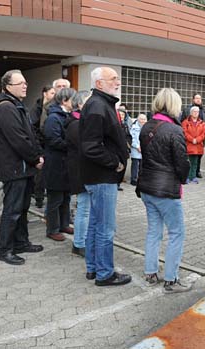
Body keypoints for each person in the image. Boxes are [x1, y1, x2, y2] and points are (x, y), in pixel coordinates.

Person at [137, 88, 194, 293]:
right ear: (174, 105)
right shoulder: (174, 130)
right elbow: (182, 163)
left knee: (154, 231)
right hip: (166, 190)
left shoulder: (146, 127)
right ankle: (171, 279)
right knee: (177, 233)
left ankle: (150, 272)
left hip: (147, 187)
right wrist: (183, 178)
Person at [80, 67, 131, 286]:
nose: (117, 82)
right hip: (102, 177)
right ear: (99, 83)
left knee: (95, 225)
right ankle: (104, 273)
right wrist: (116, 162)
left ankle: (93, 268)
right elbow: (90, 146)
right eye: (113, 79)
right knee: (105, 229)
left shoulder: (101, 104)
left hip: (99, 177)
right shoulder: (97, 106)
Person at [0, 70, 44, 266]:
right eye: (20, 83)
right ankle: (4, 250)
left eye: (25, 82)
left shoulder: (17, 105)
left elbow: (30, 134)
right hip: (16, 169)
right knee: (12, 210)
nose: (25, 85)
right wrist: (34, 158)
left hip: (24, 168)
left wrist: (37, 154)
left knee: (22, 209)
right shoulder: (6, 108)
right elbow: (18, 140)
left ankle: (21, 243)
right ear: (7, 87)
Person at [42, 87, 77, 242]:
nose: (75, 103)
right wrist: (72, 145)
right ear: (64, 101)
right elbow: (53, 140)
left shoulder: (66, 116)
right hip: (55, 165)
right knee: (55, 200)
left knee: (65, 198)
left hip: (65, 165)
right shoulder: (53, 118)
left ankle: (63, 224)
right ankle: (52, 229)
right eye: (73, 99)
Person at [66, 90, 92, 257]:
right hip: (80, 172)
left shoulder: (80, 122)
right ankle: (79, 243)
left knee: (86, 208)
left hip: (83, 171)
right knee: (84, 208)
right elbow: (86, 149)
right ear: (81, 104)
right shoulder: (76, 124)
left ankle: (82, 240)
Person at [31, 85, 55, 209]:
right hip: (40, 144)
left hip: (48, 144)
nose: (54, 95)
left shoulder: (52, 107)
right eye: (52, 93)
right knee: (40, 173)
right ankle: (38, 197)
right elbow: (33, 127)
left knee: (47, 172)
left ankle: (43, 196)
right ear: (45, 93)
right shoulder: (37, 108)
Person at [182, 106, 205, 184]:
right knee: (188, 163)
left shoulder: (202, 122)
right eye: (194, 111)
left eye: (197, 112)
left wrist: (197, 140)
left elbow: (204, 133)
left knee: (195, 163)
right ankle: (187, 177)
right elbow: (184, 132)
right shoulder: (185, 122)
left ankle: (193, 177)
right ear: (191, 112)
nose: (196, 113)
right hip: (189, 145)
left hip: (198, 146)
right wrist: (192, 139)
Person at [130, 114, 147, 186]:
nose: (143, 121)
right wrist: (137, 146)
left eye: (144, 119)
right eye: (141, 119)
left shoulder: (147, 127)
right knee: (135, 165)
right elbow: (132, 138)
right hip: (135, 149)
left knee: (142, 165)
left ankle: (141, 179)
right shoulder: (134, 127)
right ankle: (133, 179)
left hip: (144, 149)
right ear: (138, 119)